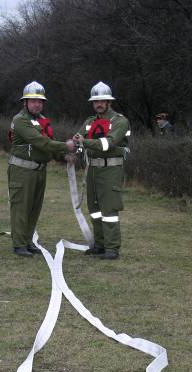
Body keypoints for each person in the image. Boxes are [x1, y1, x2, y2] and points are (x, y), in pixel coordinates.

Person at [8, 81, 75, 257]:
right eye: (33, 101)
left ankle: (28, 241)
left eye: (40, 101)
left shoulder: (42, 121)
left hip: (39, 170)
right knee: (21, 207)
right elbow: (41, 142)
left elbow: (47, 147)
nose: (37, 104)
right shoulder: (20, 120)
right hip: (22, 171)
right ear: (25, 102)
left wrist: (63, 157)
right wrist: (66, 146)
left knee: (34, 208)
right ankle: (19, 244)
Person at [73, 82, 131, 260]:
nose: (98, 104)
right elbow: (78, 141)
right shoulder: (90, 122)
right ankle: (100, 244)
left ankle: (112, 248)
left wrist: (84, 142)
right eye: (95, 101)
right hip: (93, 170)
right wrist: (75, 151)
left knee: (109, 210)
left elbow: (108, 143)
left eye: (102, 101)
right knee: (94, 209)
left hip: (111, 170)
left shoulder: (120, 121)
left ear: (109, 102)